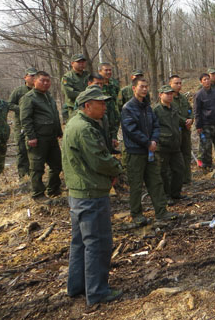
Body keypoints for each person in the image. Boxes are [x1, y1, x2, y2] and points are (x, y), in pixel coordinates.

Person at [62, 86, 123, 307]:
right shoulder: (84, 129)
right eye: (101, 103)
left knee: (80, 242)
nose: (105, 107)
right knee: (97, 243)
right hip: (90, 193)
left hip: (79, 193)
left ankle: (77, 286)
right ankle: (97, 292)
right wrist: (117, 168)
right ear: (87, 106)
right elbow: (100, 160)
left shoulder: (76, 123)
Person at [121, 77, 175, 225]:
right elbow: (131, 130)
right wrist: (147, 142)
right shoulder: (128, 108)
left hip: (150, 152)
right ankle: (137, 215)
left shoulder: (147, 107)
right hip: (135, 152)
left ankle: (161, 212)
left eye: (146, 86)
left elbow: (156, 125)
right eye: (142, 86)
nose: (144, 89)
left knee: (155, 181)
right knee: (136, 185)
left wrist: (154, 140)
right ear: (134, 88)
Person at [19, 71, 64, 203]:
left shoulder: (48, 96)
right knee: (37, 168)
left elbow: (54, 115)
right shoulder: (29, 98)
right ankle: (38, 194)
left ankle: (53, 189)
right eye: (42, 80)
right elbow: (25, 119)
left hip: (51, 137)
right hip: (38, 139)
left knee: (57, 165)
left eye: (47, 81)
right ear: (35, 81)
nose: (45, 83)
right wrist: (31, 137)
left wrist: (59, 131)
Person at [153, 85, 186, 204]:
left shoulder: (174, 107)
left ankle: (175, 193)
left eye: (171, 94)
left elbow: (178, 120)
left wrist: (186, 121)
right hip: (162, 146)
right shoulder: (156, 110)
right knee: (163, 172)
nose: (170, 96)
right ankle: (166, 196)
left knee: (179, 169)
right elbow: (152, 126)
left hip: (175, 145)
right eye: (167, 94)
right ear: (160, 95)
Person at [8, 67, 38, 180]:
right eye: (31, 76)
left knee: (35, 150)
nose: (33, 78)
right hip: (21, 124)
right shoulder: (19, 91)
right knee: (21, 149)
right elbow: (9, 104)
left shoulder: (38, 90)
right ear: (25, 77)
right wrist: (23, 109)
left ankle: (34, 173)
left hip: (35, 124)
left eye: (35, 76)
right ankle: (23, 175)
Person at [169, 74, 194, 184]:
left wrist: (191, 119)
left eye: (180, 83)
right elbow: (172, 114)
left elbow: (190, 110)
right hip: (174, 132)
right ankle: (176, 180)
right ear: (170, 84)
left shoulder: (183, 98)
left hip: (186, 131)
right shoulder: (168, 98)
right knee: (175, 156)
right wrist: (185, 121)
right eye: (176, 83)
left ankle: (187, 178)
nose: (179, 85)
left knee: (186, 154)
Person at [61, 53, 90, 122]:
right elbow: (70, 93)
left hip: (88, 108)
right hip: (74, 109)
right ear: (72, 63)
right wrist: (87, 94)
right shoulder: (67, 77)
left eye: (83, 62)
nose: (81, 64)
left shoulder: (88, 75)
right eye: (78, 62)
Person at [99, 62, 121, 145]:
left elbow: (119, 98)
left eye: (110, 70)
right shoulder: (97, 83)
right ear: (100, 71)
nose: (109, 72)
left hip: (114, 114)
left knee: (113, 138)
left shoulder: (114, 83)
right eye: (106, 70)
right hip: (101, 114)